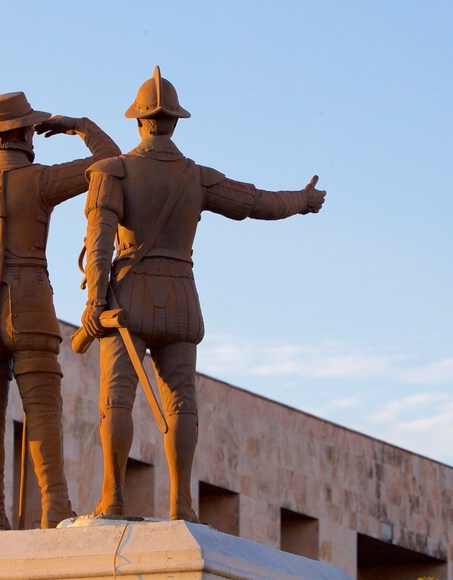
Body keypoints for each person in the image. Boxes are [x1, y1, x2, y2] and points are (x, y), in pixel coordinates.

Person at [79, 67, 326, 521]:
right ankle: (182, 503)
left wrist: (96, 300)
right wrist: (303, 201)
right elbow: (256, 203)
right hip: (179, 298)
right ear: (174, 122)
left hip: (127, 296)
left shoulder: (112, 172)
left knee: (117, 397)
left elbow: (98, 243)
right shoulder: (197, 177)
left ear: (138, 120)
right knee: (182, 400)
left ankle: (113, 498)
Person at [0, 74, 120, 530]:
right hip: (31, 309)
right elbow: (114, 161)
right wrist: (79, 125)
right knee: (42, 412)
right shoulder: (38, 181)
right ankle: (55, 507)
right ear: (23, 134)